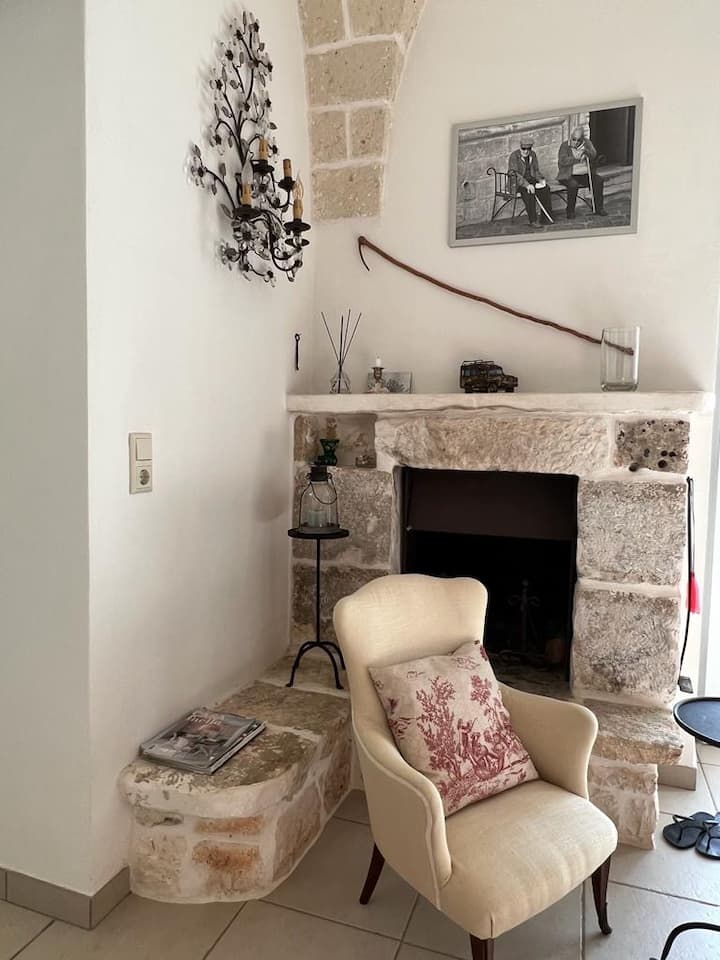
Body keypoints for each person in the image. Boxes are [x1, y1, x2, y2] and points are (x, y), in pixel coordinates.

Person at [557, 126, 607, 218]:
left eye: (578, 140)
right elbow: (562, 161)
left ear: (582, 139)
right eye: (574, 139)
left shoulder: (586, 143)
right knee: (573, 185)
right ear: (571, 137)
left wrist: (585, 152)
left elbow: (594, 154)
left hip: (585, 174)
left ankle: (599, 208)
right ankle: (570, 211)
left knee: (598, 180)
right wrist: (577, 158)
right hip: (568, 175)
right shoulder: (564, 146)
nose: (576, 142)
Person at [507, 139, 553, 228]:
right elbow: (513, 174)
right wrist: (527, 185)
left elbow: (536, 170)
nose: (526, 151)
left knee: (545, 189)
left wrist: (540, 179)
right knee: (529, 193)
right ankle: (533, 220)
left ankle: (545, 218)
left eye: (528, 149)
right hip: (518, 183)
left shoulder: (533, 154)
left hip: (531, 180)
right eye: (523, 149)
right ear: (520, 147)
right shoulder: (514, 156)